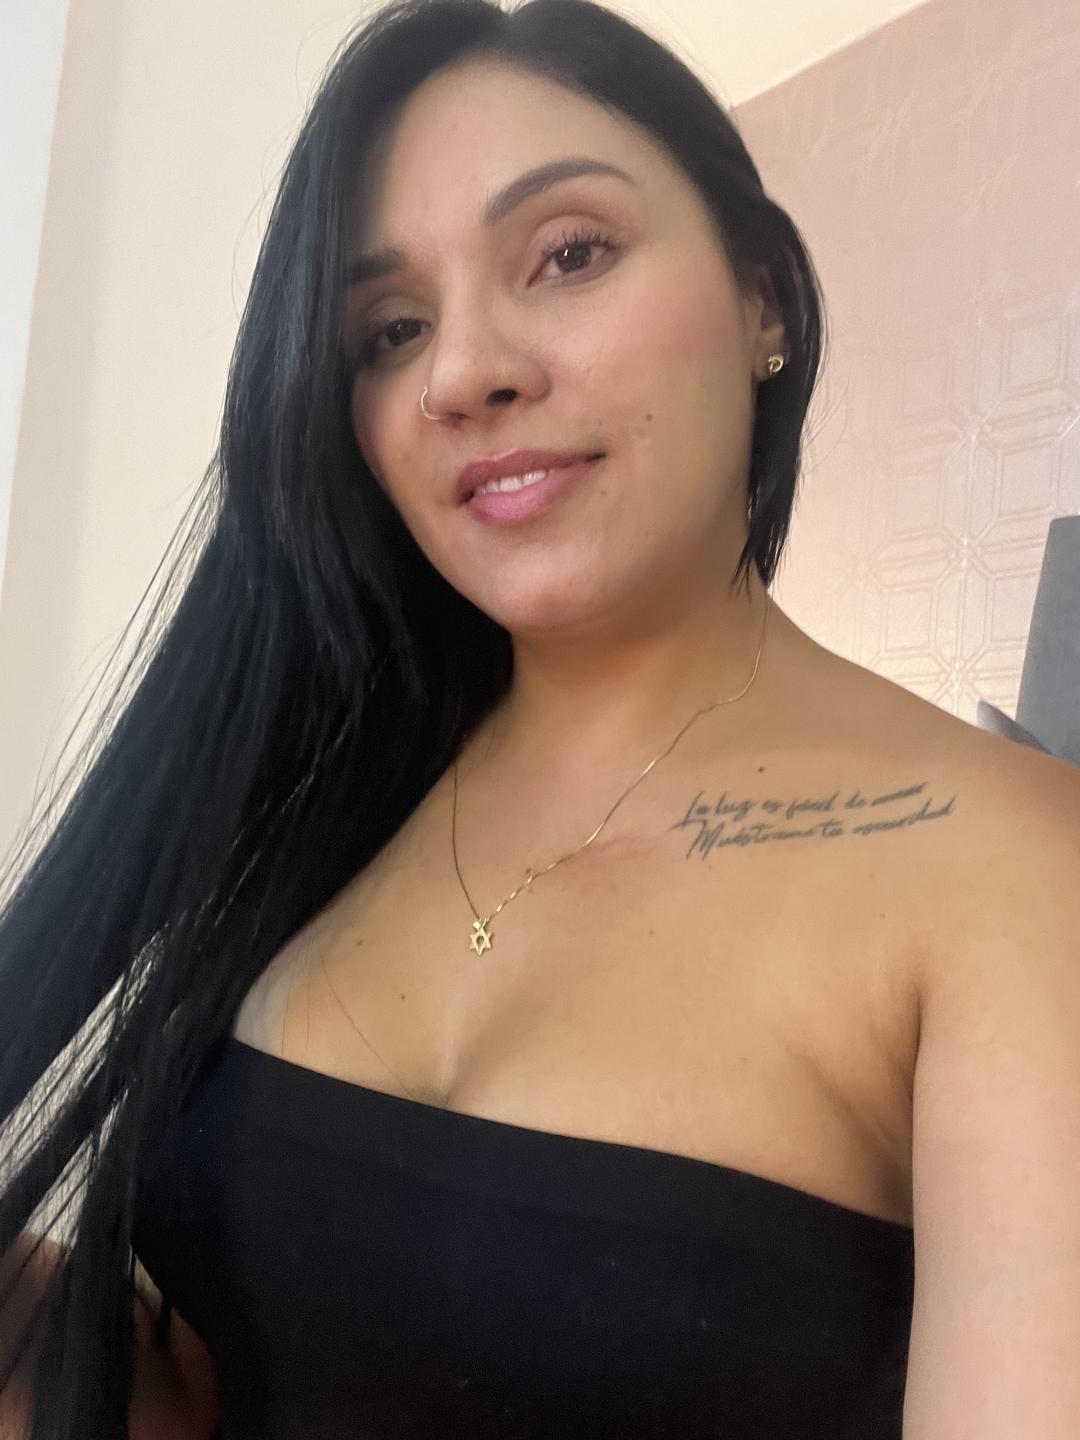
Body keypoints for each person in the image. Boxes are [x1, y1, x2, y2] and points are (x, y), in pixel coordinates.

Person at [2, 1, 1079, 1436]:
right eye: (391, 329)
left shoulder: (1017, 873)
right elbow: (209, 1390)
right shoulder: (331, 801)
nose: (463, 373)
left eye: (568, 254)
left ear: (763, 297)